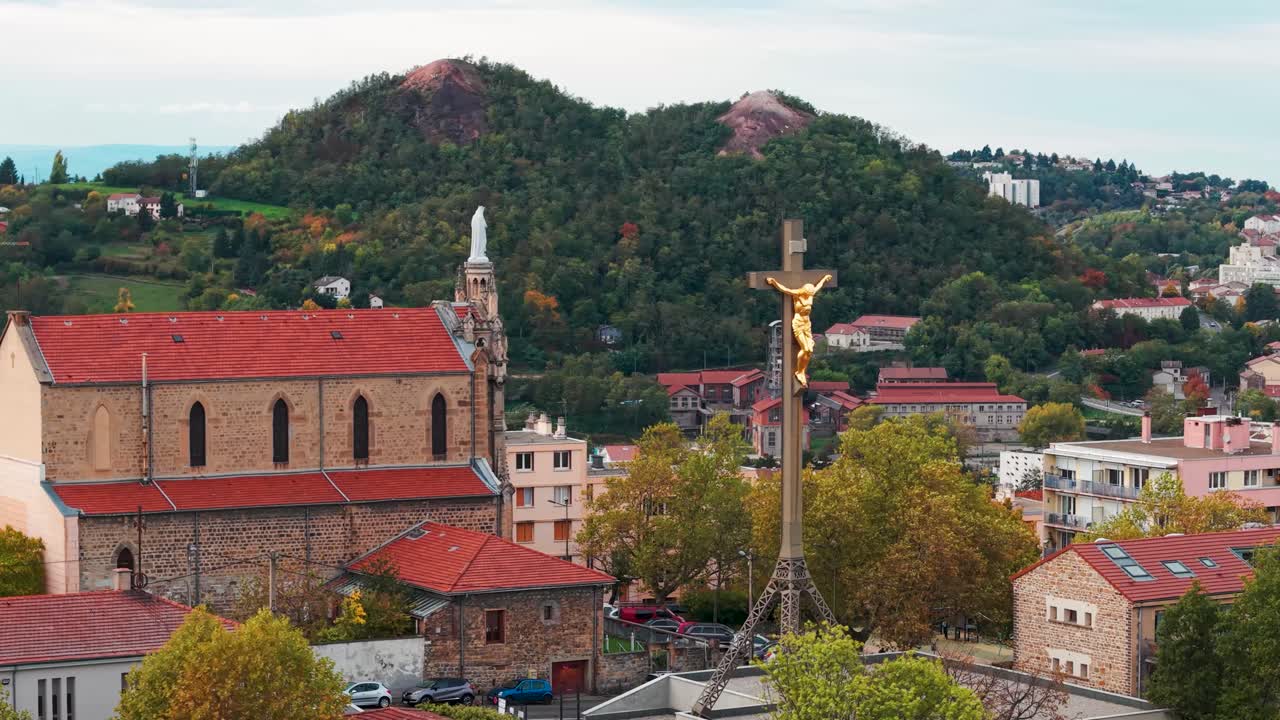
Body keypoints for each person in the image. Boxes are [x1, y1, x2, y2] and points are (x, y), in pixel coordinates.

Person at [766, 274, 833, 388]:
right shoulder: (798, 294)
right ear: (805, 291)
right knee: (805, 348)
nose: (811, 295)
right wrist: (774, 282)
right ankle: (799, 372)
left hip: (807, 323)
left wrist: (824, 279)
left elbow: (819, 286)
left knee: (810, 350)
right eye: (809, 293)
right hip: (798, 323)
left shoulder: (811, 293)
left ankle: (802, 370)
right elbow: (785, 289)